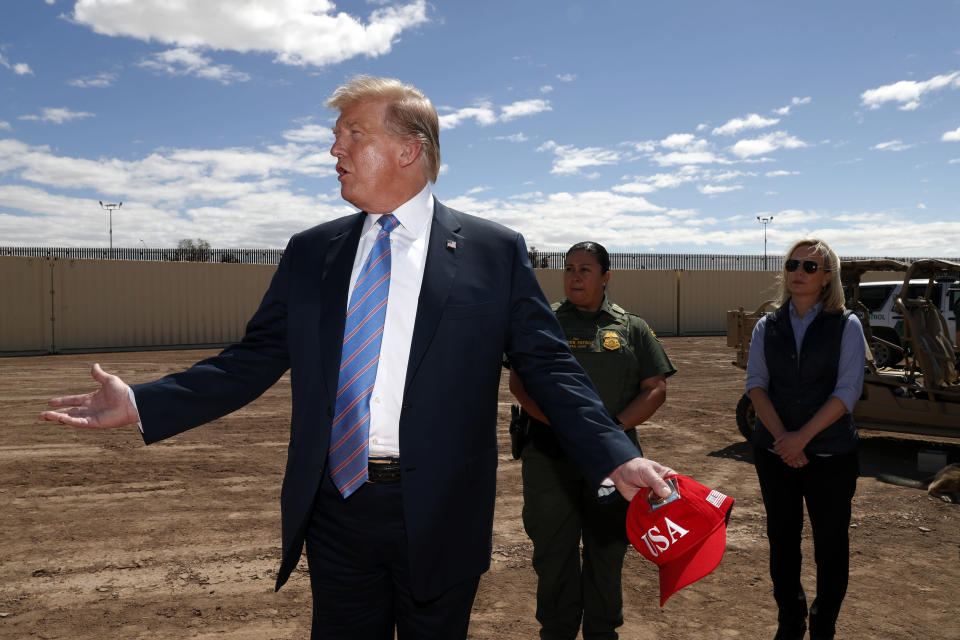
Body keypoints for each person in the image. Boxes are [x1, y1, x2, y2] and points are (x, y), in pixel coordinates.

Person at [39, 76, 676, 640]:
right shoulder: (311, 252)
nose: (334, 150)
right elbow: (252, 359)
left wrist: (616, 455)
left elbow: (549, 366)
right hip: (337, 507)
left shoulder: (492, 251)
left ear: (409, 150)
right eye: (336, 136)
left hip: (440, 510)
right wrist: (145, 401)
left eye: (352, 134)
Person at [509, 241, 676, 640]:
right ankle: (557, 631)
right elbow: (519, 382)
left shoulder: (631, 327)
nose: (575, 276)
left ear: (606, 277)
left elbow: (654, 388)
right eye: (569, 268)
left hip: (614, 463)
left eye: (585, 269)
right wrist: (566, 427)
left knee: (607, 551)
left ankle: (603, 632)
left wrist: (608, 434)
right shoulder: (543, 322)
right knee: (553, 552)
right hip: (551, 457)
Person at [745, 238, 866, 640]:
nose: (799, 272)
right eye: (793, 264)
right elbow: (757, 386)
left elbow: (846, 392)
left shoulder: (846, 324)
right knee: (782, 540)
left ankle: (824, 625)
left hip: (832, 454)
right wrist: (783, 439)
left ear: (827, 277)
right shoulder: (768, 325)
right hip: (775, 453)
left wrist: (802, 439)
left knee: (831, 543)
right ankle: (790, 621)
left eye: (810, 267)